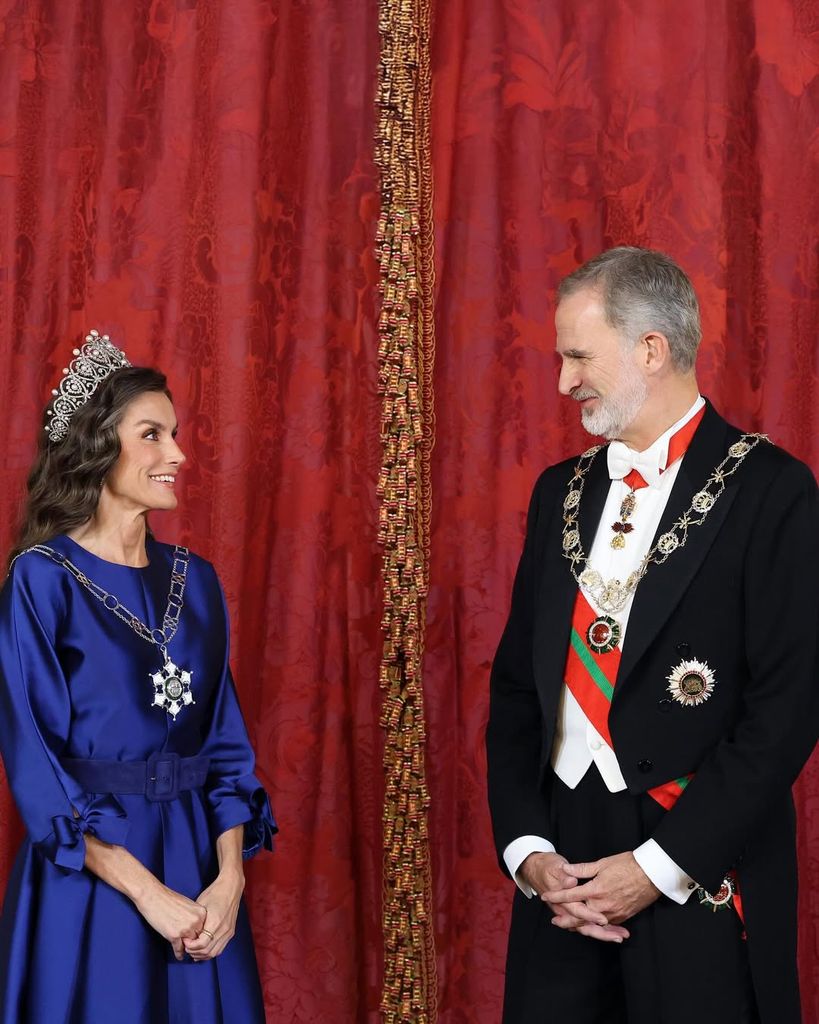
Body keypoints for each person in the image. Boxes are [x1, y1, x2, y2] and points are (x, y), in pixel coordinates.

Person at [486, 248, 819, 1024]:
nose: (564, 380)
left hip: (695, 856)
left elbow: (786, 711)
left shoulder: (773, 491)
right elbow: (514, 693)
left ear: (649, 349)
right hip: (561, 869)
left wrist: (659, 866)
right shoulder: (556, 492)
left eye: (577, 355)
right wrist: (527, 851)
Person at [0, 330, 276, 1023]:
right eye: (152, 434)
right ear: (97, 446)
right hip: (95, 879)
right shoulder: (42, 581)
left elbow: (225, 747)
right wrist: (147, 895)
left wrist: (229, 882)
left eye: (175, 434)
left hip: (197, 872)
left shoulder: (198, 581)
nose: (177, 454)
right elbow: (38, 767)